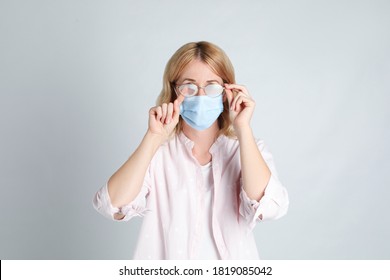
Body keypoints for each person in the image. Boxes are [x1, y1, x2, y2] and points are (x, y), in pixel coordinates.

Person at [93, 41, 289, 260]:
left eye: (212, 85)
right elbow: (112, 204)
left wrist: (242, 128)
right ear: (174, 90)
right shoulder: (158, 153)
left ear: (227, 92)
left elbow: (269, 207)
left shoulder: (247, 148)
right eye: (189, 86)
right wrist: (154, 137)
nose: (201, 96)